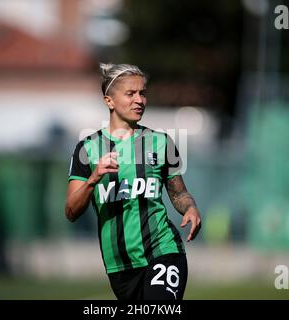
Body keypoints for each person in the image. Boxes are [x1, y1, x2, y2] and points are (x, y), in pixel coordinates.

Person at [65, 63, 202, 300]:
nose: (139, 100)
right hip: (120, 265)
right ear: (109, 101)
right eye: (131, 93)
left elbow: (178, 193)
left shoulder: (161, 142)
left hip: (162, 250)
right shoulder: (86, 149)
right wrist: (93, 179)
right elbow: (71, 211)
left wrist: (189, 208)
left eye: (143, 93)